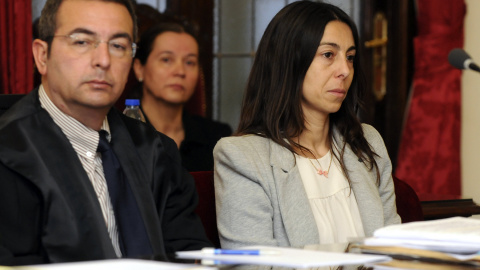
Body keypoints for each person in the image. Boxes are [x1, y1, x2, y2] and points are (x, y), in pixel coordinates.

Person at [0, 0, 212, 265]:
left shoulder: (156, 151)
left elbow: (190, 253)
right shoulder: (9, 148)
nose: (103, 60)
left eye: (118, 46)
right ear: (43, 55)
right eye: (82, 42)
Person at [214, 1, 401, 249]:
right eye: (328, 55)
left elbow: (397, 252)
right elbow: (254, 267)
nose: (345, 70)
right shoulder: (243, 158)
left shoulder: (367, 143)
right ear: (289, 61)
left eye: (350, 57)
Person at [132, 20, 232, 172]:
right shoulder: (120, 134)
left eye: (190, 62)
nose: (180, 71)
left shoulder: (218, 138)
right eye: (166, 60)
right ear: (139, 69)